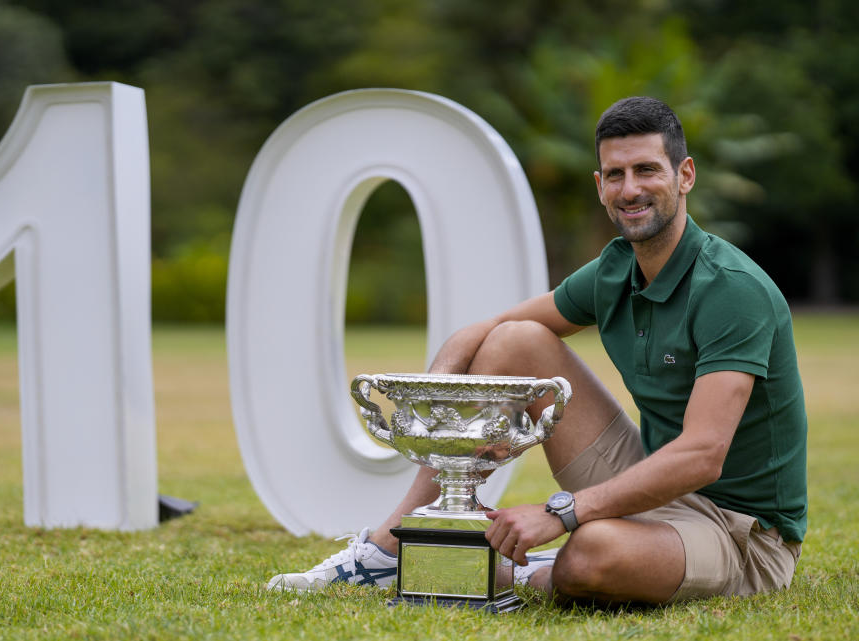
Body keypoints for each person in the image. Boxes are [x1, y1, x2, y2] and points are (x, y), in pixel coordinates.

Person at [266, 96, 807, 604]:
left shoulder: (731, 289)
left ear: (684, 176)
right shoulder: (617, 267)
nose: (630, 189)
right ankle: (390, 547)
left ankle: (526, 567)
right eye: (615, 175)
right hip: (652, 481)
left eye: (647, 170)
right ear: (599, 186)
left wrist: (562, 512)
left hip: (738, 531)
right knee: (515, 340)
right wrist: (438, 406)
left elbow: (701, 455)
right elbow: (491, 329)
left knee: (591, 556)